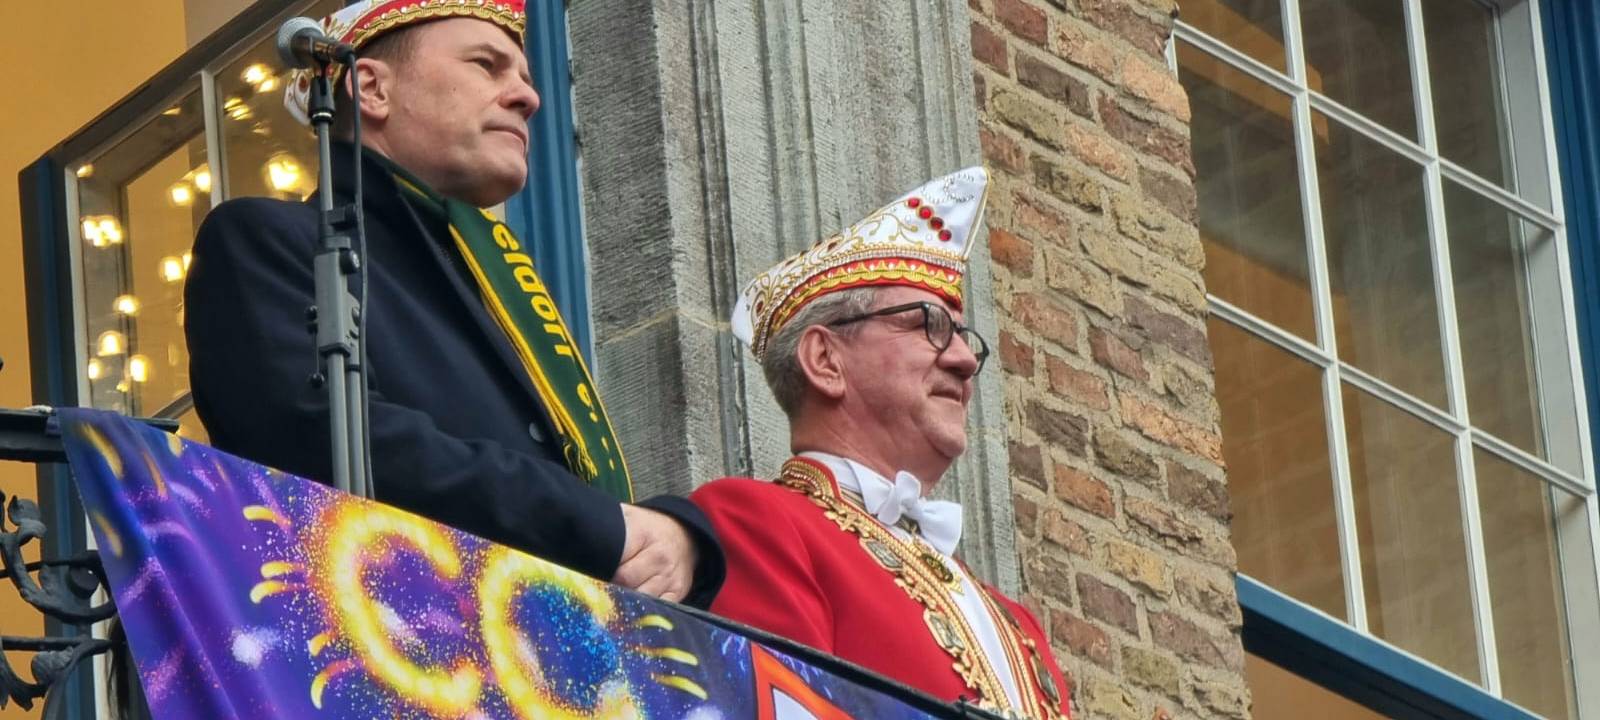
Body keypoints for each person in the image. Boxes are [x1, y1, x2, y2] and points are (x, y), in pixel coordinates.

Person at [184, 0, 722, 607]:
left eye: (524, 76)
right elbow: (324, 441)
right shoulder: (271, 241)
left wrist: (679, 540)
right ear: (371, 88)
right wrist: (605, 529)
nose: (528, 97)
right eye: (487, 66)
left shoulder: (500, 288)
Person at [691, 168, 1071, 717]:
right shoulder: (755, 523)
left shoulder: (1015, 620)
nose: (964, 361)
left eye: (963, 337)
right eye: (927, 325)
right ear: (825, 361)